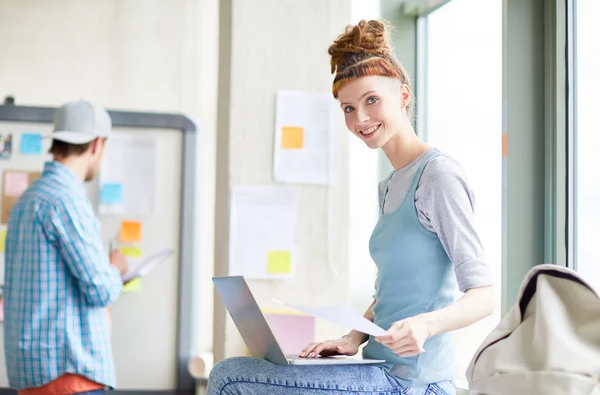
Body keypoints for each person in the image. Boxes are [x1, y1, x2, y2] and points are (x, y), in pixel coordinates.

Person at [206, 20, 495, 395]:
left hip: (413, 382)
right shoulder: (389, 185)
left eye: (371, 100)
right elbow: (393, 290)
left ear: (403, 95)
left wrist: (425, 325)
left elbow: (484, 296)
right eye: (348, 108)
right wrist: (352, 337)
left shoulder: (438, 175)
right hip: (377, 365)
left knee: (230, 377)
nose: (360, 119)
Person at [4, 100, 128, 395]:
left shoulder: (27, 199)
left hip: (34, 374)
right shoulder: (66, 200)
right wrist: (116, 268)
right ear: (97, 144)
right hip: (69, 373)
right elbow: (100, 289)